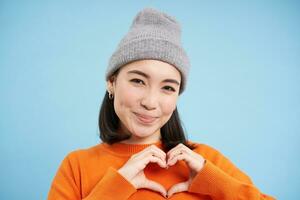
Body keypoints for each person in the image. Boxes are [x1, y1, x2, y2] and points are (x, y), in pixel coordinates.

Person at [47, 7, 275, 200]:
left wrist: (215, 183)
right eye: (138, 80)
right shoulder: (76, 166)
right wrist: (117, 185)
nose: (150, 102)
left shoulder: (205, 162)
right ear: (111, 82)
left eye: (167, 87)